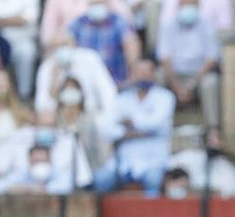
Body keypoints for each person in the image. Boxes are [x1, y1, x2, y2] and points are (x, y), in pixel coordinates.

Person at [94, 58, 172, 195]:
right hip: (125, 161)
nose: (142, 76)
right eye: (138, 72)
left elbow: (156, 124)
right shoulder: (122, 98)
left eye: (145, 72)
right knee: (101, 180)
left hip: (153, 160)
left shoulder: (165, 97)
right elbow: (106, 129)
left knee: (153, 181)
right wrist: (130, 132)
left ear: (154, 74)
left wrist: (130, 122)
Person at [156, 0, 220, 131]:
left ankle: (213, 132)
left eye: (191, 5)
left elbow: (212, 58)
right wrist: (177, 87)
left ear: (198, 6)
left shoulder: (207, 25)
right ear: (179, 6)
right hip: (174, 75)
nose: (188, 9)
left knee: (211, 82)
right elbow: (164, 58)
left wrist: (193, 84)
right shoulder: (167, 25)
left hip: (199, 75)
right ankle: (158, 125)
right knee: (158, 75)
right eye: (185, 5)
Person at [34, 31, 116, 123]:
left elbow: (108, 92)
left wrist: (106, 119)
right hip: (60, 121)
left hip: (91, 116)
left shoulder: (90, 59)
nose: (60, 49)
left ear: (73, 44)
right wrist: (54, 80)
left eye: (64, 45)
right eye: (55, 47)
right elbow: (41, 106)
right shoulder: (46, 68)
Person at [0, 0, 39, 100]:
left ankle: (24, 96)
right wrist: (14, 19)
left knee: (27, 53)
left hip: (21, 40)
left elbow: (29, 18)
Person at [68, 0, 139, 86]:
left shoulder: (118, 21)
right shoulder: (80, 22)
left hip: (115, 80)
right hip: (86, 81)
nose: (97, 7)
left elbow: (131, 44)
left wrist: (132, 71)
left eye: (100, 3)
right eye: (94, 4)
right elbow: (66, 40)